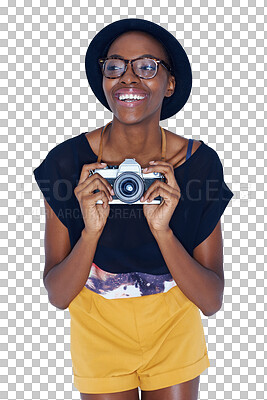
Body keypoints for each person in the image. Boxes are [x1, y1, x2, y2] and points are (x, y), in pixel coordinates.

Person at [33, 18, 234, 400]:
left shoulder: (198, 164)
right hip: (97, 330)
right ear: (104, 79)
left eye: (146, 66)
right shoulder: (67, 163)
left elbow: (211, 301)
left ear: (169, 83)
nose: (128, 78)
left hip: (174, 326)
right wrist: (90, 231)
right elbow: (58, 296)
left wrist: (164, 230)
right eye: (115, 66)